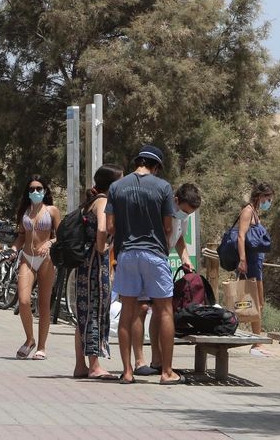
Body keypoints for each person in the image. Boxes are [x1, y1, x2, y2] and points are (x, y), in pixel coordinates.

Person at [106, 145, 182, 385]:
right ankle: (166, 372)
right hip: (154, 254)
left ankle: (127, 372)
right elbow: (168, 227)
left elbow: (109, 227)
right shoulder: (163, 187)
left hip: (127, 254)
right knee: (165, 309)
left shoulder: (116, 187)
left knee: (128, 312)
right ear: (156, 166)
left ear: (138, 161)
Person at [133, 183, 202, 376]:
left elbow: (179, 239)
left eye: (189, 213)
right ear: (176, 201)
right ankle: (139, 361)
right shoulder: (160, 210)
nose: (185, 215)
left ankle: (157, 359)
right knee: (142, 307)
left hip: (161, 261)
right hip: (147, 259)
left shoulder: (183, 217)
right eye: (184, 211)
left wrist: (185, 258)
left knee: (160, 309)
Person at [73, 164, 123, 379]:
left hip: (85, 265)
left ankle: (80, 365)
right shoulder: (103, 202)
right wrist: (103, 248)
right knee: (95, 311)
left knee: (84, 314)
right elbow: (102, 228)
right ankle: (94, 366)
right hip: (96, 265)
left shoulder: (90, 202)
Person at [11, 175, 61, 360]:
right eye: (31, 189)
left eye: (39, 188)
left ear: (45, 190)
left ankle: (41, 347)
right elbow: (21, 236)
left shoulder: (52, 211)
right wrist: (13, 249)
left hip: (46, 260)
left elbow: (60, 235)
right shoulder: (25, 211)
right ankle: (29, 339)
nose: (35, 192)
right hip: (27, 258)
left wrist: (49, 243)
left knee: (43, 304)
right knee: (23, 301)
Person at [237, 182, 274, 356]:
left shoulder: (255, 213)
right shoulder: (247, 211)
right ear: (260, 196)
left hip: (257, 262)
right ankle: (256, 343)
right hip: (250, 262)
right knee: (255, 302)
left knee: (259, 302)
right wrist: (243, 259)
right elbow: (241, 235)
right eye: (268, 198)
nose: (269, 201)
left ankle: (257, 341)